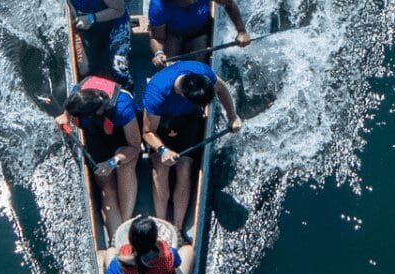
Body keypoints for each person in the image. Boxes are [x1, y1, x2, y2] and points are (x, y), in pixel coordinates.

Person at [141, 61, 242, 230]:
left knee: (184, 168)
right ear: (183, 95)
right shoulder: (156, 92)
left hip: (188, 119)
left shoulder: (203, 72)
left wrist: (233, 117)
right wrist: (163, 150)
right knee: (161, 169)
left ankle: (178, 228)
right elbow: (147, 132)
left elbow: (222, 88)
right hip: (162, 123)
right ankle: (163, 224)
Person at [54, 76, 141, 237]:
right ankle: (118, 237)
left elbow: (135, 147)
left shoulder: (122, 107)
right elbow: (65, 117)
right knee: (106, 188)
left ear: (97, 111)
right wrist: (62, 121)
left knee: (125, 167)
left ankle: (126, 222)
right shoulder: (78, 94)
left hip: (123, 139)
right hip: (97, 136)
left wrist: (112, 163)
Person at [148, 0, 251, 69]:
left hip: (200, 32)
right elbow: (157, 37)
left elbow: (229, 4)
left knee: (199, 69)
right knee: (171, 69)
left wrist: (241, 31)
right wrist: (159, 53)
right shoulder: (158, 5)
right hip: (173, 34)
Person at [70, 0, 132, 86]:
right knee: (84, 70)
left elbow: (119, 10)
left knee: (119, 70)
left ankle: (126, 92)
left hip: (114, 21)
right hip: (85, 23)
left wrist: (91, 18)